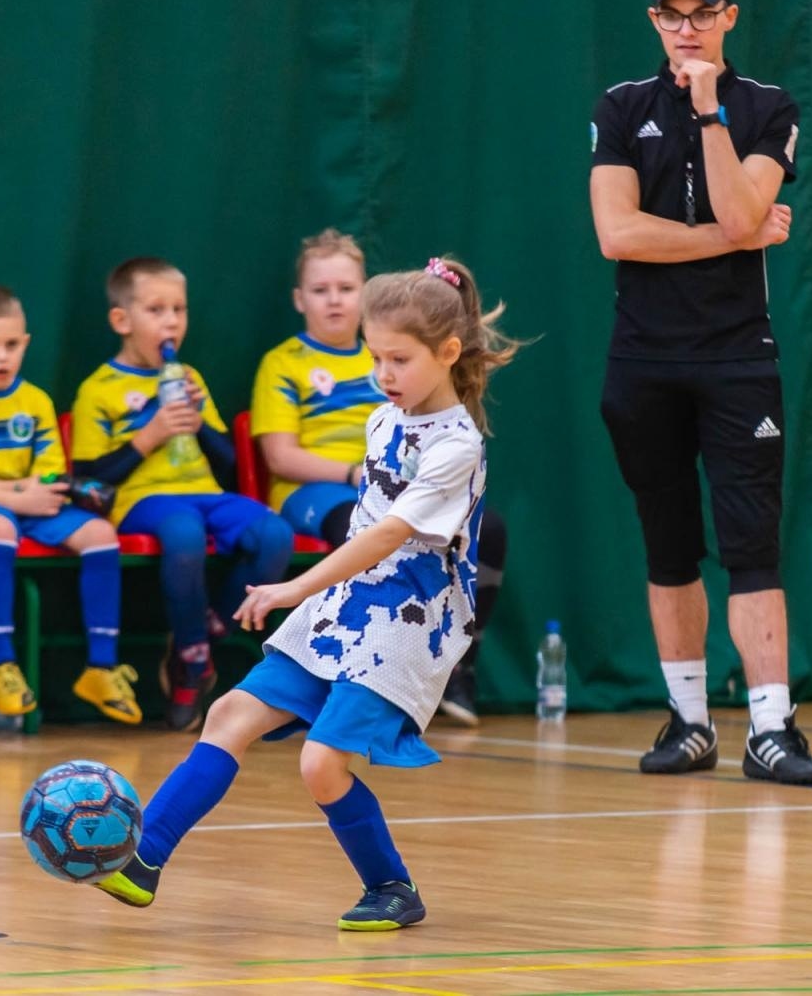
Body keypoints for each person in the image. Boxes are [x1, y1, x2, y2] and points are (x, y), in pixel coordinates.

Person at [95, 257, 517, 929]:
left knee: (322, 764)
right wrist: (318, 596)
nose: (384, 375)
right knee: (230, 714)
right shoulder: (383, 421)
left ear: (449, 352)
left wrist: (295, 585)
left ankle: (391, 886)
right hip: (347, 604)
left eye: (399, 360)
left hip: (407, 619)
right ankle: (142, 862)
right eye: (376, 357)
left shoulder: (459, 444)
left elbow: (388, 538)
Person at [589, 0, 812, 784]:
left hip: (737, 357)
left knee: (752, 542)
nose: (686, 28)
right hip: (643, 357)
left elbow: (738, 202)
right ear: (653, 20)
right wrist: (735, 236)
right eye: (671, 14)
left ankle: (770, 729)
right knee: (669, 541)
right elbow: (618, 235)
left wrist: (711, 115)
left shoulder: (766, 107)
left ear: (729, 18)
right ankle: (690, 722)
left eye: (702, 13)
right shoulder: (620, 106)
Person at [250, 230, 507, 725]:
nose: (334, 300)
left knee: (486, 528)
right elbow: (281, 456)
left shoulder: (405, 371)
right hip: (316, 491)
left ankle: (459, 663)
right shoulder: (286, 363)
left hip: (394, 501)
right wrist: (353, 474)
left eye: (345, 288)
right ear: (300, 299)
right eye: (321, 290)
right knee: (365, 526)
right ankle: (342, 661)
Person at [70, 257, 294, 731]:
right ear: (121, 321)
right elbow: (90, 477)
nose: (171, 321)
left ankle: (204, 637)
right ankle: (193, 662)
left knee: (274, 534)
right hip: (142, 502)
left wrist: (201, 427)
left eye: (178, 310)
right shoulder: (99, 388)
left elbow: (229, 463)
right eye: (156, 310)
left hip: (205, 494)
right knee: (184, 533)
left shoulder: (188, 378)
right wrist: (146, 437)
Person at [0, 285, 139, 725]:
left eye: (11, 345)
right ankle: (0, 664)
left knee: (100, 533)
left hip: (30, 506)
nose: (1, 356)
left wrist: (29, 493)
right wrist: (10, 494)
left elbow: (50, 478)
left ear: (25, 344)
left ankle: (101, 667)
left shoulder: (36, 401)